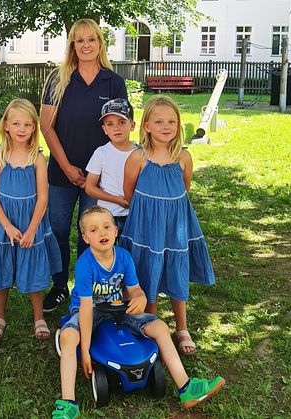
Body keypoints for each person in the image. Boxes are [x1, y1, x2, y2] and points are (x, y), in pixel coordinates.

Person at [52, 206, 224, 418]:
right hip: (90, 310)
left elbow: (134, 290)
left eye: (106, 227)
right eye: (94, 230)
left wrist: (140, 298)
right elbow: (86, 310)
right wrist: (85, 351)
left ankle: (186, 387)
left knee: (160, 327)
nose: (102, 233)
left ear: (116, 231)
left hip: (118, 309)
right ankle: (68, 403)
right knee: (69, 337)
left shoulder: (123, 257)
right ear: (85, 238)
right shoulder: (85, 265)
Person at [41, 18, 128, 313]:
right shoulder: (58, 79)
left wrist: (98, 171)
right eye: (79, 40)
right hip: (62, 172)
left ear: (100, 43)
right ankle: (59, 285)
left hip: (100, 178)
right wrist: (66, 167)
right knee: (59, 229)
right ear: (72, 46)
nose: (86, 45)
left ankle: (88, 288)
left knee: (92, 233)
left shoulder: (113, 82)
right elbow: (46, 126)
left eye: (91, 39)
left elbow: (120, 128)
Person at [120, 96, 216, 356]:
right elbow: (129, 193)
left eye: (172, 121)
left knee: (175, 270)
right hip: (145, 227)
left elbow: (184, 189)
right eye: (159, 121)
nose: (166, 126)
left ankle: (182, 327)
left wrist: (167, 212)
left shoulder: (184, 157)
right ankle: (152, 324)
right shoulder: (137, 157)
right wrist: (150, 213)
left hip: (175, 227)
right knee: (148, 270)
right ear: (147, 126)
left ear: (179, 125)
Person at [0, 99, 62, 341]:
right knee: (1, 266)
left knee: (33, 266)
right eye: (16, 123)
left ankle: (38, 316)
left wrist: (32, 229)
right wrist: (8, 227)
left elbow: (43, 197)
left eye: (27, 124)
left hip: (31, 221)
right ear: (6, 126)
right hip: (3, 223)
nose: (21, 129)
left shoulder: (37, 158)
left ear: (34, 127)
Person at [84, 98, 138, 238]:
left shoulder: (141, 153)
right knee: (107, 254)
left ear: (132, 125)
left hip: (135, 213)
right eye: (110, 124)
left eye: (122, 122)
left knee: (132, 253)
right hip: (107, 216)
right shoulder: (101, 153)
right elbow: (90, 187)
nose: (116, 127)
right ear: (104, 129)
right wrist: (116, 199)